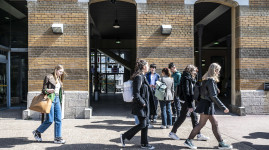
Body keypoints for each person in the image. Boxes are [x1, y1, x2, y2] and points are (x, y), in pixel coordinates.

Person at [184, 63, 233, 149]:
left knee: (215, 123)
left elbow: (209, 92)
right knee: (201, 124)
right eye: (218, 70)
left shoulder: (206, 79)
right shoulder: (210, 80)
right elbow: (213, 96)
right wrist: (223, 107)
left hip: (207, 104)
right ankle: (188, 141)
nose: (219, 72)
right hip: (207, 105)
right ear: (215, 70)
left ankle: (221, 143)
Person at [120, 59, 156, 149]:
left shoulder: (142, 76)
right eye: (147, 65)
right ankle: (124, 136)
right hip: (141, 106)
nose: (148, 67)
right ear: (144, 67)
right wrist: (143, 103)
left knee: (145, 124)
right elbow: (136, 93)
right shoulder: (139, 77)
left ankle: (144, 144)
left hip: (144, 105)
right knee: (143, 124)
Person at [169, 65, 209, 141]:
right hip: (186, 101)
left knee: (185, 117)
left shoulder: (189, 78)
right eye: (194, 71)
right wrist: (190, 105)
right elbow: (186, 92)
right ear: (190, 71)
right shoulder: (186, 78)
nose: (195, 72)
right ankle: (198, 134)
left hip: (188, 100)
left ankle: (173, 132)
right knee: (193, 117)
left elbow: (194, 86)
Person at [32, 65, 66, 144]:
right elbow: (43, 90)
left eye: (62, 72)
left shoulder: (59, 78)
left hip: (57, 99)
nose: (61, 73)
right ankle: (37, 131)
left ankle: (57, 138)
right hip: (50, 99)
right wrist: (48, 90)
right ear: (56, 70)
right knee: (50, 120)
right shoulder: (48, 77)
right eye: (60, 71)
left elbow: (60, 90)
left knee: (58, 119)